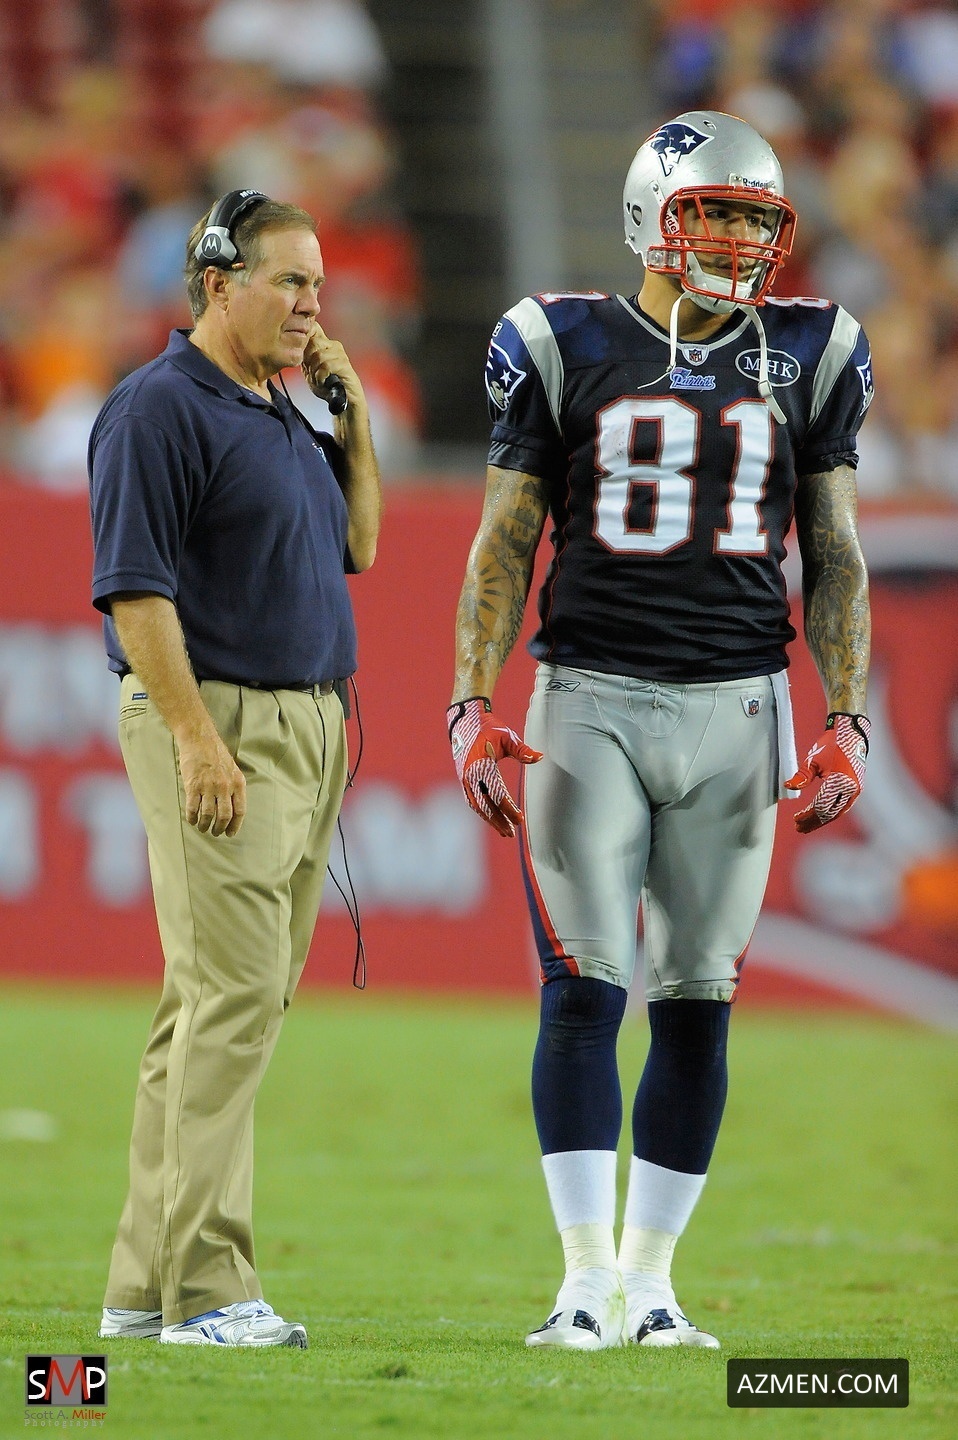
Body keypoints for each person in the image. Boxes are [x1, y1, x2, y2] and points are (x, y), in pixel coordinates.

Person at [448, 111, 872, 1350]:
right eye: (713, 212)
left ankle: (651, 1286)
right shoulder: (562, 339)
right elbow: (504, 539)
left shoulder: (814, 349)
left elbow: (834, 551)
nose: (736, 239)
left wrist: (846, 718)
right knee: (584, 989)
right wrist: (471, 702)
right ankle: (582, 1282)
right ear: (650, 213)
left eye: (754, 216)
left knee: (697, 1003)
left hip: (740, 707)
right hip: (588, 699)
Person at [90, 190, 381, 1348]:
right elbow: (134, 590)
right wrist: (195, 737)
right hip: (219, 720)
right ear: (219, 283)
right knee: (234, 1001)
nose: (312, 305)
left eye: (318, 284)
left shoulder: (279, 411)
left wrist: (353, 425)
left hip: (306, 726)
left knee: (215, 1004)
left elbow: (359, 546)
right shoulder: (159, 407)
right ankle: (208, 1292)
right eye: (290, 281)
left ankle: (138, 1289)